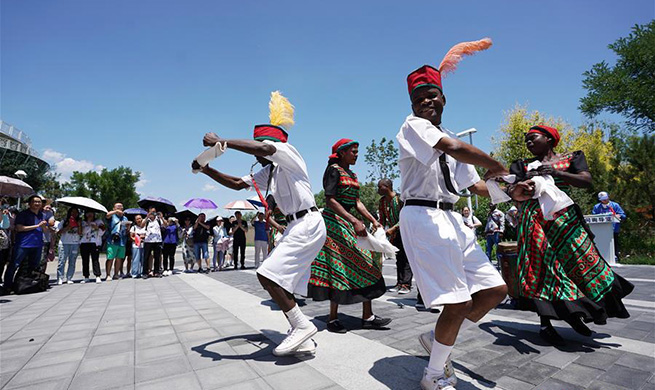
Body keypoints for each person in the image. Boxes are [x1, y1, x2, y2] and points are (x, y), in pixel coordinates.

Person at [398, 54, 509, 390]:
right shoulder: (413, 126)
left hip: (452, 218)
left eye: (432, 95)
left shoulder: (448, 133)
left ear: (443, 98)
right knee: (457, 301)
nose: (426, 101)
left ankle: (437, 339)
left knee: (495, 290)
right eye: (419, 98)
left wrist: (510, 189)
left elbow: (473, 185)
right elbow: (454, 148)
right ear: (413, 105)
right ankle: (433, 375)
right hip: (423, 215)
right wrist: (498, 164)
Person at [193, 90, 325, 356]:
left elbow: (264, 148)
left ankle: (302, 326)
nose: (255, 155)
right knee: (279, 282)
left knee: (266, 274)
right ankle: (302, 335)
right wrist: (206, 167)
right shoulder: (270, 170)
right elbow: (237, 184)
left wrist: (222, 142)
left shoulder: (287, 153)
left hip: (307, 221)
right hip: (295, 225)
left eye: (258, 147)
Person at [506, 125, 633, 346]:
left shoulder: (571, 158)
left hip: (565, 222)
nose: (528, 141)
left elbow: (585, 180)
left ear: (548, 138)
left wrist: (556, 173)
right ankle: (546, 323)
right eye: (525, 139)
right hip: (534, 221)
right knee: (542, 270)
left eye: (532, 137)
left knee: (581, 261)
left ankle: (578, 313)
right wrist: (520, 186)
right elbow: (512, 192)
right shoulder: (521, 165)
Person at [308, 139, 390, 333]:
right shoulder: (333, 170)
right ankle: (332, 318)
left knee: (370, 262)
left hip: (348, 220)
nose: (356, 155)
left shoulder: (352, 174)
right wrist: (354, 220)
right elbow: (330, 200)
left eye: (357, 152)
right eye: (353, 152)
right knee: (336, 267)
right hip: (335, 223)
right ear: (342, 152)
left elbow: (357, 202)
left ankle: (368, 316)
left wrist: (372, 219)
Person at [3, 195, 48, 292]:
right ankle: (7, 286)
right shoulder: (23, 214)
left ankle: (26, 285)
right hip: (23, 244)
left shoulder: (42, 215)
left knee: (33, 266)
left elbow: (44, 230)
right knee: (14, 265)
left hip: (37, 244)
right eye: (35, 202)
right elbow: (19, 228)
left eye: (39, 202)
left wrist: (44, 226)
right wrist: (37, 225)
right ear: (30, 203)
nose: (37, 204)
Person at [378, 178, 413, 295]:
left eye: (380, 187)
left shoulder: (400, 199)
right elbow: (382, 219)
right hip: (394, 235)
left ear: (387, 187)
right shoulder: (382, 202)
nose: (378, 189)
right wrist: (379, 229)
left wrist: (393, 228)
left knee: (406, 258)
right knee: (398, 258)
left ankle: (406, 284)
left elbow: (405, 217)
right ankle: (399, 283)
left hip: (405, 231)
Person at [592, 191, 627, 261]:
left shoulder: (615, 205)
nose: (605, 200)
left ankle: (616, 257)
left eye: (606, 198)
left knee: (614, 244)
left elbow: (623, 215)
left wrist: (619, 215)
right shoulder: (596, 207)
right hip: (600, 231)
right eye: (603, 199)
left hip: (613, 230)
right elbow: (593, 217)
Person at [57, 207, 82, 284]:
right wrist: (68, 227)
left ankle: (69, 278)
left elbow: (80, 233)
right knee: (62, 261)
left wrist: (79, 225)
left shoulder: (79, 221)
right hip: (64, 243)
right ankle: (60, 278)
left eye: (76, 212)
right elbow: (58, 232)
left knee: (72, 261)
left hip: (75, 243)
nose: (74, 214)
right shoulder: (64, 221)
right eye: (72, 212)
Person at [80, 211, 105, 283]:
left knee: (95, 259)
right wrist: (88, 224)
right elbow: (81, 232)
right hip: (84, 242)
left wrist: (97, 227)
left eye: (91, 213)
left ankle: (97, 275)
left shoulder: (99, 221)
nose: (89, 214)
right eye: (88, 213)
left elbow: (102, 232)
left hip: (94, 242)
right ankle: (86, 276)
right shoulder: (83, 222)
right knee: (85, 260)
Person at [105, 203, 128, 281]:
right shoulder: (112, 216)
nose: (120, 208)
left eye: (121, 207)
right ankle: (108, 274)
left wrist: (128, 227)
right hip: (112, 241)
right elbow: (107, 215)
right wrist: (115, 212)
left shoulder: (125, 218)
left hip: (122, 241)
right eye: (118, 207)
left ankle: (116, 274)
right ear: (114, 208)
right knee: (110, 258)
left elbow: (126, 231)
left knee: (119, 259)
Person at [143, 208, 167, 277]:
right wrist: (147, 216)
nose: (152, 213)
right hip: (148, 241)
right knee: (146, 257)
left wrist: (162, 218)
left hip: (157, 240)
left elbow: (166, 225)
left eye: (154, 212)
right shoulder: (147, 220)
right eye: (151, 212)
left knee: (157, 257)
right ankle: (145, 272)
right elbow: (141, 225)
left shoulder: (158, 220)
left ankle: (156, 271)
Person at [39, 202, 57, 273]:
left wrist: (45, 224)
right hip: (34, 239)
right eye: (47, 207)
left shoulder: (49, 213)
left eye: (50, 208)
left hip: (45, 240)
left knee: (43, 260)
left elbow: (51, 223)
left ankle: (41, 276)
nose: (48, 209)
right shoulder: (35, 212)